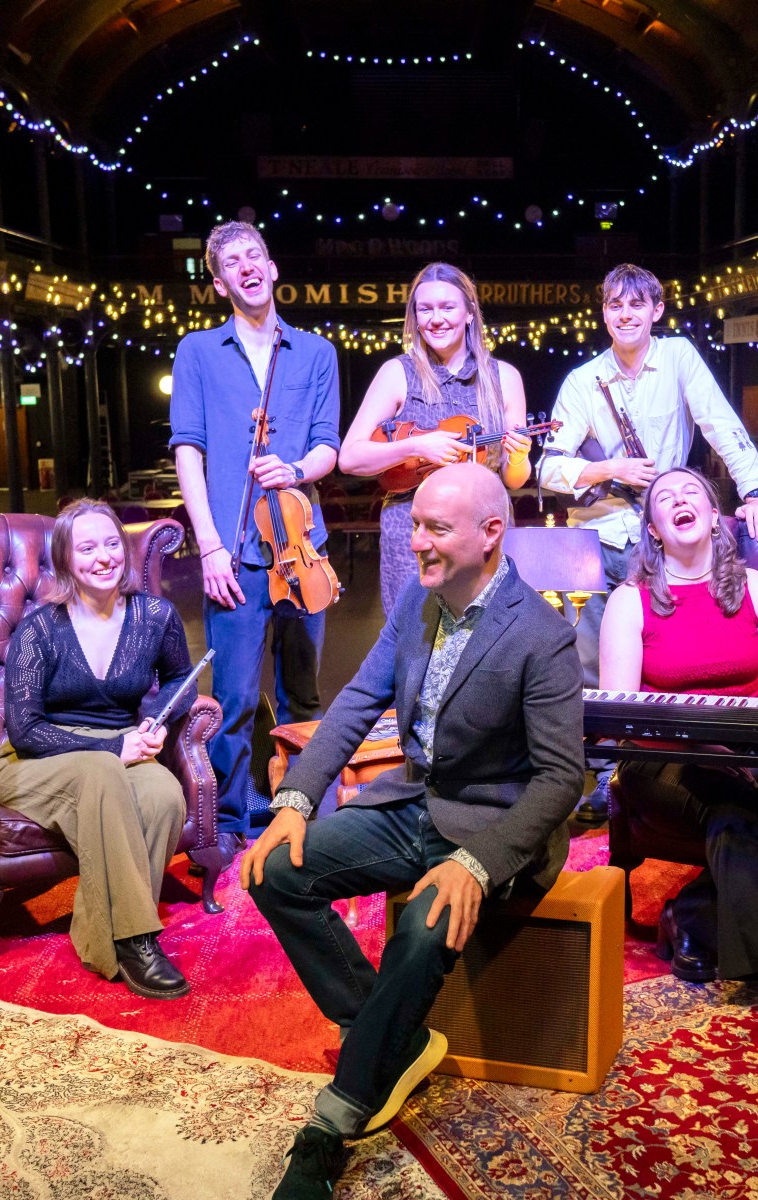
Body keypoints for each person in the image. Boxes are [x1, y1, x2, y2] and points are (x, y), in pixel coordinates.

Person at [242, 464, 584, 1199]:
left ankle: (330, 1126)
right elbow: (355, 702)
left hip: (493, 827)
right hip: (415, 803)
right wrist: (295, 801)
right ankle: (390, 1039)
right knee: (274, 870)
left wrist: (478, 863)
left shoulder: (542, 635)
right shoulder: (416, 602)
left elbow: (562, 780)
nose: (417, 541)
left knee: (424, 931)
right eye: (415, 524)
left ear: (490, 534)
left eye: (435, 528)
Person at [599, 466, 758, 1052]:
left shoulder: (754, 588)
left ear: (713, 516)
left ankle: (693, 913)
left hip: (746, 760)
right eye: (665, 498)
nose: (679, 500)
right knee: (735, 810)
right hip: (659, 764)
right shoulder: (629, 603)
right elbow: (620, 714)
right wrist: (694, 741)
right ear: (654, 529)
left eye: (692, 493)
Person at [539, 262, 758, 820]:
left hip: (664, 531)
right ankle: (605, 777)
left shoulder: (678, 358)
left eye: (636, 304)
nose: (625, 315)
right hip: (599, 534)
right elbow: (548, 468)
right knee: (592, 660)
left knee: (666, 652)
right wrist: (610, 468)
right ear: (604, 314)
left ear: (656, 310)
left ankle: (663, 766)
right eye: (615, 305)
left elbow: (719, 422)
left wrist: (755, 490)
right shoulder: (583, 380)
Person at [170, 222, 340, 841]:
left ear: (271, 268)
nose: (246, 266)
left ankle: (301, 810)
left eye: (254, 255)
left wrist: (295, 470)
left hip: (302, 550)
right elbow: (188, 450)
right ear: (220, 283)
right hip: (234, 555)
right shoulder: (197, 351)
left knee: (304, 695)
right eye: (232, 262)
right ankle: (230, 820)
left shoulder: (316, 353)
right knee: (234, 700)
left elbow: (327, 447)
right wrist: (210, 546)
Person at [0, 501, 197, 996]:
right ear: (65, 559)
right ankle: (135, 940)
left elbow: (180, 680)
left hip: (116, 746)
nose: (103, 557)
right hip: (35, 758)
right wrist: (114, 748)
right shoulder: (39, 629)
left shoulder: (155, 616)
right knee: (102, 772)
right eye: (87, 548)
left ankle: (101, 930)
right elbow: (25, 730)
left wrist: (155, 719)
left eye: (111, 544)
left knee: (164, 794)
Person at [338, 262, 530, 612]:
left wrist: (518, 456)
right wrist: (415, 446)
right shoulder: (398, 373)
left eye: (447, 307)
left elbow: (513, 479)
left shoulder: (503, 377)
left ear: (469, 313)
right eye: (425, 309)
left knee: (487, 634)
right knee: (415, 634)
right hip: (414, 531)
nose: (436, 319)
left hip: (482, 533)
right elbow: (350, 458)